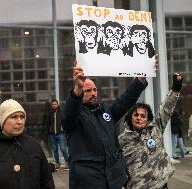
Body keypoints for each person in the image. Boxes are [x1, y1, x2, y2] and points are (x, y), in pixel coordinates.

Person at [61, 55, 158, 189]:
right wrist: (77, 89)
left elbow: (125, 101)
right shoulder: (74, 117)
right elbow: (69, 114)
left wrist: (140, 79)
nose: (94, 93)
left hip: (114, 180)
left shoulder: (104, 110)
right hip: (89, 183)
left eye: (95, 89)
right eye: (88, 90)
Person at [119, 73, 183, 189]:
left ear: (148, 120)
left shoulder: (155, 129)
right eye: (136, 115)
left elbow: (166, 108)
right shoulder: (122, 140)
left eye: (143, 116)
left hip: (161, 184)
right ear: (130, 117)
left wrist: (175, 89)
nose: (139, 118)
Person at [47, 99, 69, 170]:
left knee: (63, 148)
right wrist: (48, 131)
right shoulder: (49, 113)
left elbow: (65, 122)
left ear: (57, 105)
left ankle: (67, 162)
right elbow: (47, 123)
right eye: (53, 104)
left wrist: (64, 129)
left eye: (55, 104)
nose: (54, 105)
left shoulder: (61, 113)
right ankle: (57, 163)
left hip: (61, 134)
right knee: (55, 149)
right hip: (52, 135)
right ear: (51, 105)